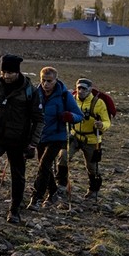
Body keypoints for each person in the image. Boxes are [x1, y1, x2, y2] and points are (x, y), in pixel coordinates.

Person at [0, 54, 43, 224]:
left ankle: (14, 211)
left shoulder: (29, 90)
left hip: (19, 139)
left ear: (18, 72)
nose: (7, 76)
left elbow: (39, 119)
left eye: (11, 72)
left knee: (17, 175)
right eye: (4, 71)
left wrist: (33, 144)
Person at [28, 67, 82, 210]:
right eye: (43, 80)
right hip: (40, 136)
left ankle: (36, 198)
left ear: (55, 80)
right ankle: (53, 192)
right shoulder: (35, 93)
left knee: (44, 164)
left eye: (49, 81)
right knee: (44, 166)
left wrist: (70, 117)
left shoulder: (64, 95)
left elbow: (79, 115)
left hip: (57, 136)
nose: (46, 84)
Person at [59, 78, 111, 201]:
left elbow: (107, 121)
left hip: (92, 139)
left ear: (90, 90)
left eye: (84, 89)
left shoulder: (98, 103)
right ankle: (61, 185)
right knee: (63, 156)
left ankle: (93, 190)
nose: (81, 91)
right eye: (79, 88)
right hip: (75, 135)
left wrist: (102, 125)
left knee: (92, 167)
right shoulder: (71, 99)